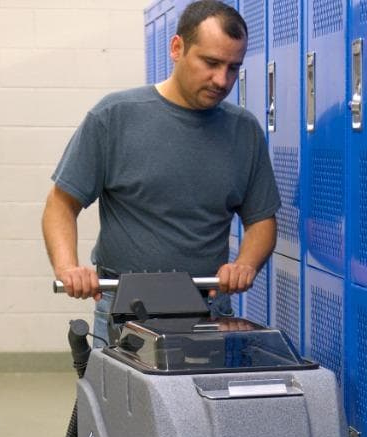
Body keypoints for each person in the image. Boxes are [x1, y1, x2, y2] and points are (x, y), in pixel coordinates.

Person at [42, 0, 281, 344]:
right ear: (177, 48)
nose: (222, 79)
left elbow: (261, 220)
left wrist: (246, 263)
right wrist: (68, 268)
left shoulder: (243, 131)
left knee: (199, 400)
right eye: (211, 63)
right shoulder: (115, 117)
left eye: (233, 68)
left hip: (207, 308)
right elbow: (61, 204)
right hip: (124, 307)